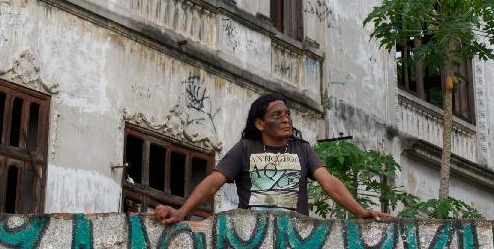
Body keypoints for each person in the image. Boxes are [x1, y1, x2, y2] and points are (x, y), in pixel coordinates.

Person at [155, 93, 394, 224]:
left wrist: (360, 211)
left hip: (295, 237)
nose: (286, 119)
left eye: (288, 114)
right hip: (250, 237)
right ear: (259, 123)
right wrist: (182, 212)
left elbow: (329, 182)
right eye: (277, 115)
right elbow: (213, 182)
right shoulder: (245, 149)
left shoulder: (302, 150)